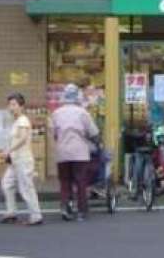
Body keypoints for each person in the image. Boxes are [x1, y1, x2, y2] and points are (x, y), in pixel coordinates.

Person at [51, 83, 99, 222]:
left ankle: (65, 207)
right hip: (80, 153)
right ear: (77, 96)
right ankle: (81, 211)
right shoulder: (82, 113)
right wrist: (97, 143)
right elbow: (93, 132)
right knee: (81, 182)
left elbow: (54, 134)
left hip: (62, 152)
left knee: (65, 181)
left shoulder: (56, 113)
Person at [0, 93, 43, 226]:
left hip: (23, 160)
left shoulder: (23, 120)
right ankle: (11, 212)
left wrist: (9, 150)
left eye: (14, 104)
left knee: (26, 188)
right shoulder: (16, 121)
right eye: (9, 105)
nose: (11, 107)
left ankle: (36, 215)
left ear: (21, 106)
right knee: (7, 183)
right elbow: (15, 139)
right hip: (15, 161)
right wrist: (8, 152)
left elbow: (23, 138)